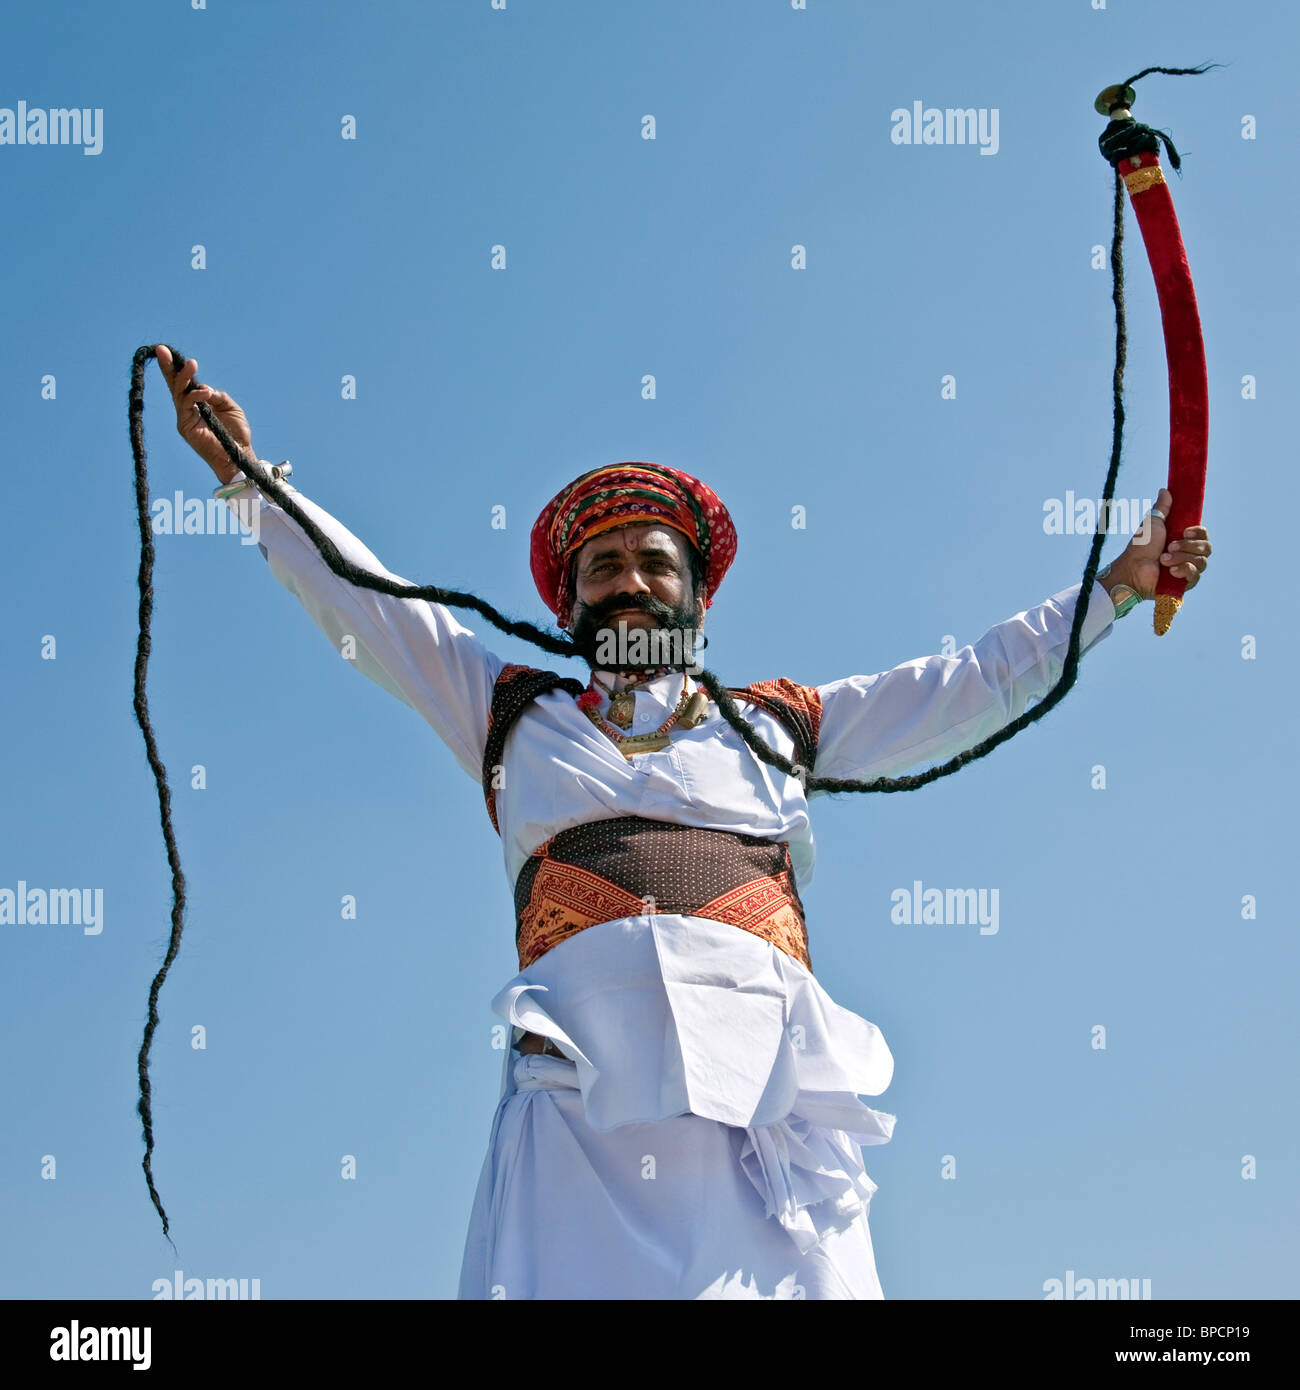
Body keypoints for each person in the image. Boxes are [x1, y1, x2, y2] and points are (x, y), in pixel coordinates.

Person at [154, 346, 1212, 1300]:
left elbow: (965, 682)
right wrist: (248, 481)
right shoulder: (510, 715)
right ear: (568, 606)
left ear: (698, 599)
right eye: (604, 570)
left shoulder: (778, 726)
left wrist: (1117, 585)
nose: (631, 585)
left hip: (765, 1112)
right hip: (579, 1118)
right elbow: (370, 601)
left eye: (656, 566)